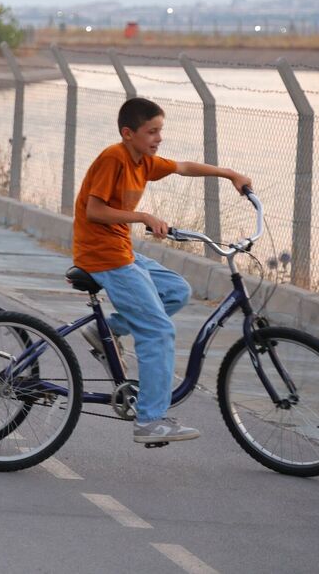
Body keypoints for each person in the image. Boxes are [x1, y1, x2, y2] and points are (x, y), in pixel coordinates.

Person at [73, 97, 251, 445]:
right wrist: (142, 216)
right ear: (128, 133)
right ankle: (150, 420)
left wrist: (230, 174)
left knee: (176, 291)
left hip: (121, 250)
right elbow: (94, 210)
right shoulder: (115, 158)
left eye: (160, 131)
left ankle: (108, 330)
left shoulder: (144, 161)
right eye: (151, 131)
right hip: (103, 255)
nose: (158, 138)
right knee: (158, 331)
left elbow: (183, 167)